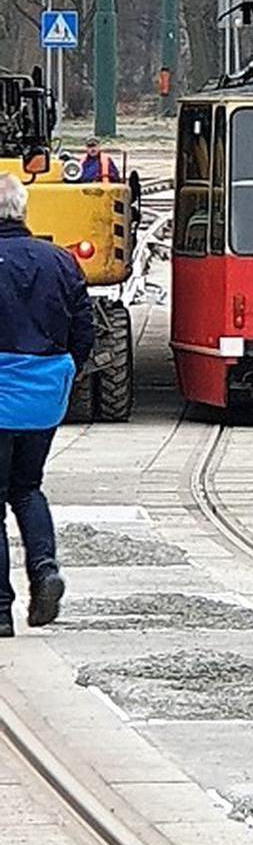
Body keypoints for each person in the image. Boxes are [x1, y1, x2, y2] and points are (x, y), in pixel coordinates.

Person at [0, 174, 95, 636]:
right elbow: (84, 329)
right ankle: (44, 572)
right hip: (42, 397)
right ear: (23, 211)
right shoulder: (60, 261)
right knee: (27, 487)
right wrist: (63, 372)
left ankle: (0, 610)